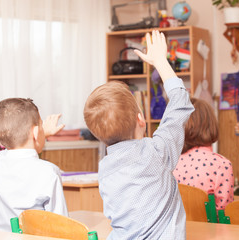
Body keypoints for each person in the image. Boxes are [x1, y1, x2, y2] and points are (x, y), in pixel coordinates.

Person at [83, 30, 194, 240]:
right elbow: (180, 101)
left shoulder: (105, 167)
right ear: (141, 120)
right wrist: (160, 61)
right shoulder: (156, 152)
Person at [0, 98, 68, 232]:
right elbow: (61, 226)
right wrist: (39, 134)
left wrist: (39, 133)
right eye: (42, 126)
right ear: (36, 132)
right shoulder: (48, 172)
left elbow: (15, 145)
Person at [173, 97, 234, 210]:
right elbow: (224, 213)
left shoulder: (171, 164)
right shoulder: (222, 165)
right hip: (209, 228)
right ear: (211, 125)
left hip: (177, 227)